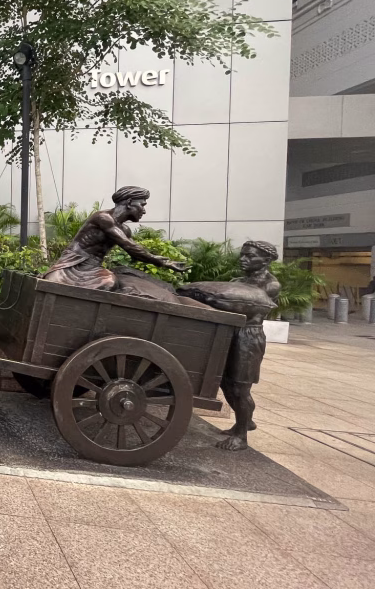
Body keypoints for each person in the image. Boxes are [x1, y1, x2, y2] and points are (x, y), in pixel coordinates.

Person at [180, 241, 281, 451]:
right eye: (242, 255)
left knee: (241, 386)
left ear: (267, 260)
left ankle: (242, 435)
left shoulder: (270, 286)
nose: (243, 259)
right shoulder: (237, 281)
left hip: (248, 335)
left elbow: (249, 302)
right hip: (228, 331)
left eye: (250, 256)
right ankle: (243, 422)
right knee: (225, 383)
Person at [43, 186, 187, 291]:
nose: (143, 210)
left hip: (93, 269)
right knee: (52, 283)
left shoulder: (125, 230)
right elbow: (130, 247)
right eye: (142, 205)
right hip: (72, 265)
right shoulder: (103, 218)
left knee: (109, 283)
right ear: (130, 202)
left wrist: (161, 262)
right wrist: (164, 262)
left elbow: (134, 251)